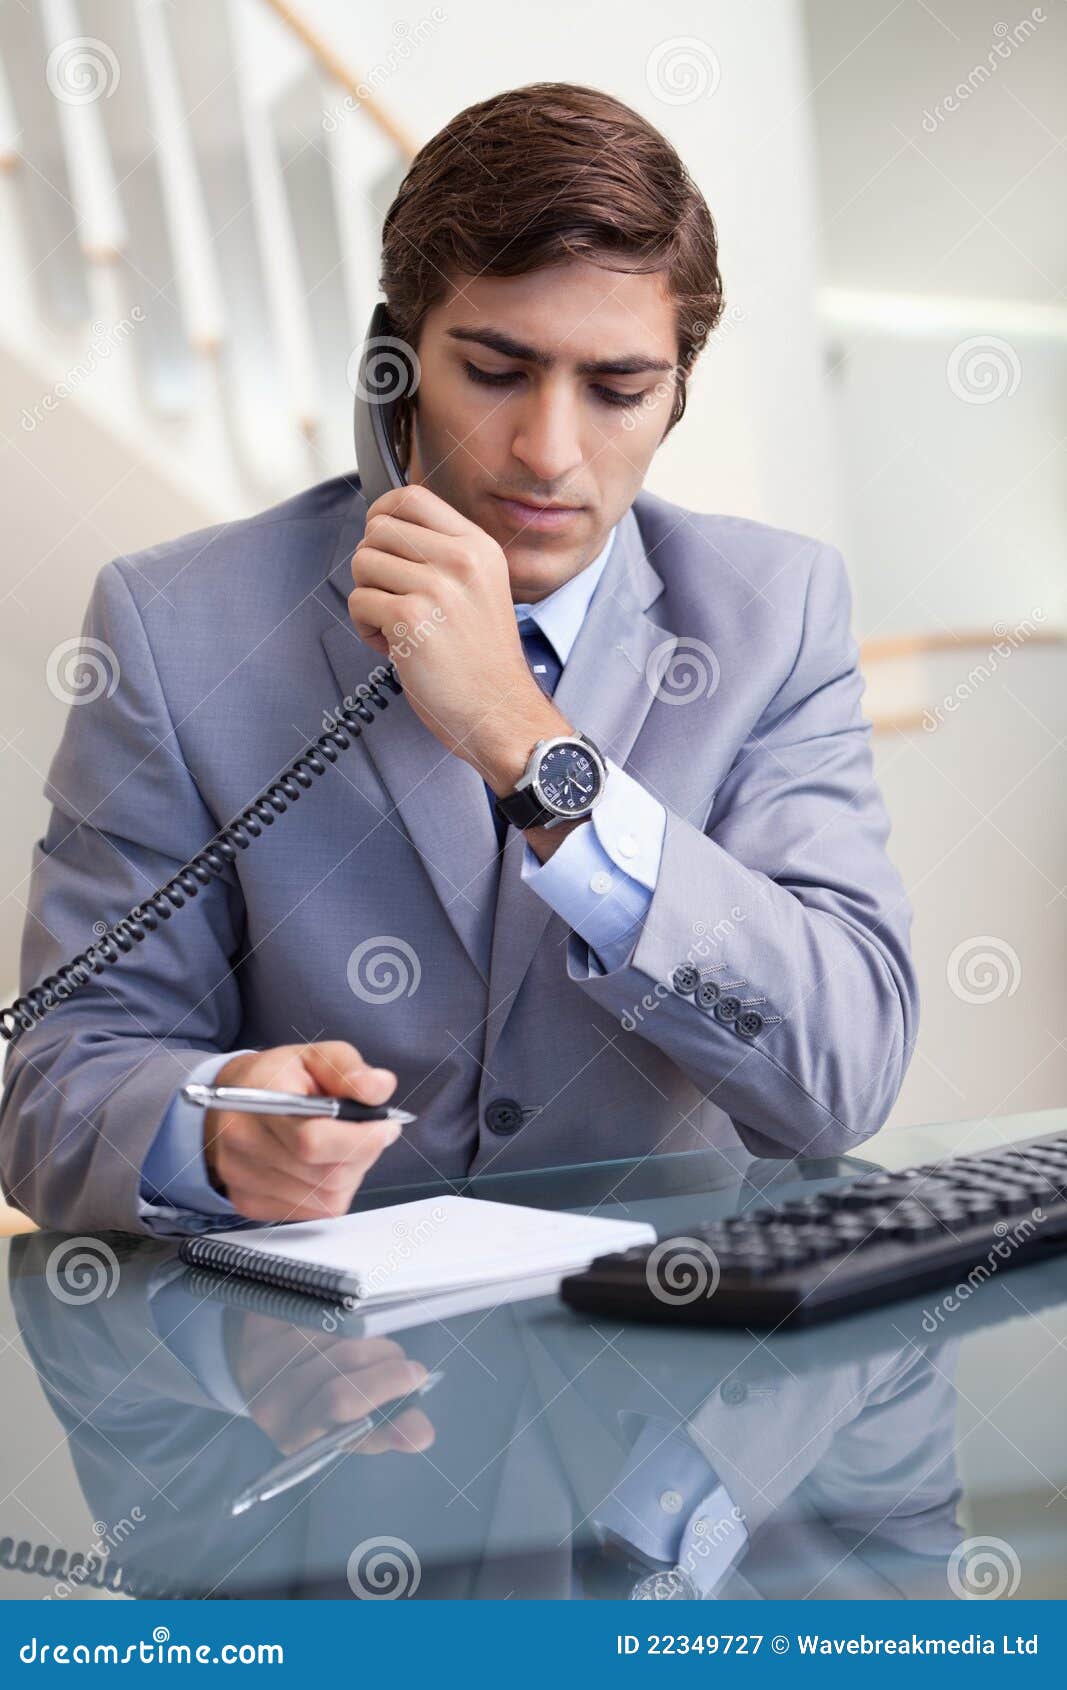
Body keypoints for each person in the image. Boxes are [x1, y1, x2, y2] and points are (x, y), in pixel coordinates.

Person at [0, 83, 918, 1236]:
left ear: (675, 395)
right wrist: (212, 1133)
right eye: (492, 371)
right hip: (330, 1385)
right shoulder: (177, 624)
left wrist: (526, 742)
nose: (547, 452)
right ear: (394, 366)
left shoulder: (772, 614)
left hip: (675, 1369)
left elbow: (844, 1073)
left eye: (617, 389)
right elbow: (54, 1082)